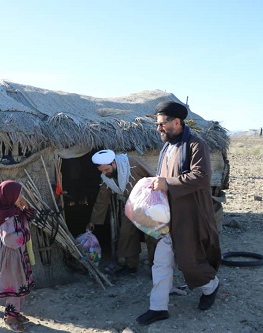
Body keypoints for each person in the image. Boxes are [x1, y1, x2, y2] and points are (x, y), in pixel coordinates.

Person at [136, 101, 221, 326]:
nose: (159, 129)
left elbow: (201, 177)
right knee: (160, 262)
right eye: (158, 124)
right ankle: (158, 308)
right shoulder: (167, 147)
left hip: (189, 216)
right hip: (167, 217)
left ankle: (211, 286)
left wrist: (167, 183)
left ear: (177, 121)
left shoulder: (196, 144)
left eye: (163, 124)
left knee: (189, 262)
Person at [88, 149, 157, 276]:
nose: (104, 173)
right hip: (130, 206)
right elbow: (102, 199)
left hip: (148, 204)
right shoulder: (106, 178)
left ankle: (156, 267)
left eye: (106, 170)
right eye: (101, 171)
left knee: (152, 236)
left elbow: (153, 177)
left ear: (113, 163)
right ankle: (131, 265)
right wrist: (93, 220)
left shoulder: (132, 163)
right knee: (126, 234)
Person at [0, 180, 36, 332]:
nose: (20, 197)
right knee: (13, 283)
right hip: (11, 255)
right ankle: (10, 317)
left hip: (19, 253)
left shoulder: (15, 210)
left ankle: (15, 313)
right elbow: (9, 239)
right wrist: (26, 233)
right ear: (9, 196)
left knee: (20, 281)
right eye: (18, 195)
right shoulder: (5, 216)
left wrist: (24, 204)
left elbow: (30, 215)